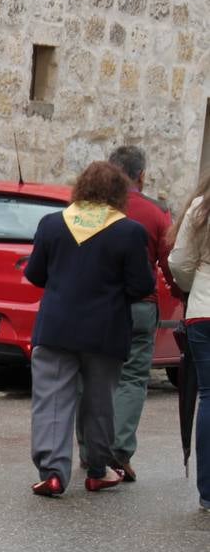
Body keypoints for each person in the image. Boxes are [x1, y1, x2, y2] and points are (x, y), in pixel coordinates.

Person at [26, 161, 153, 497]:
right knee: (99, 403)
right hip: (105, 330)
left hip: (56, 327)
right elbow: (141, 285)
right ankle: (97, 470)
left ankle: (52, 472)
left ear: (80, 188)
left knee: (51, 399)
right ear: (119, 194)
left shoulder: (53, 224)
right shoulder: (130, 231)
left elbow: (35, 274)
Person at [100, 145, 172, 481]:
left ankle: (91, 450)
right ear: (141, 175)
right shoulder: (157, 213)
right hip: (141, 305)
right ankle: (118, 450)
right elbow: (171, 261)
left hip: (97, 304)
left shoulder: (92, 208)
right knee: (132, 378)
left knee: (95, 375)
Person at [165, 171, 210, 510]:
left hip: (204, 309)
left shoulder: (200, 207)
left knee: (208, 396)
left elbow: (179, 262)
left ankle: (208, 491)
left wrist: (193, 284)